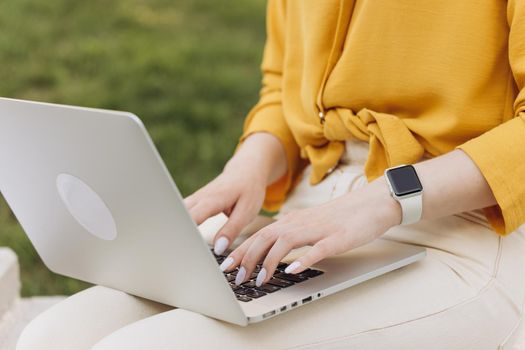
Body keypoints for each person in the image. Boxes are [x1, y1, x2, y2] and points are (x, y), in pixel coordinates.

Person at [16, 1, 525, 349]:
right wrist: (250, 166)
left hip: (468, 231)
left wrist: (382, 201)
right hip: (312, 222)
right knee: (51, 338)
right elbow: (286, 86)